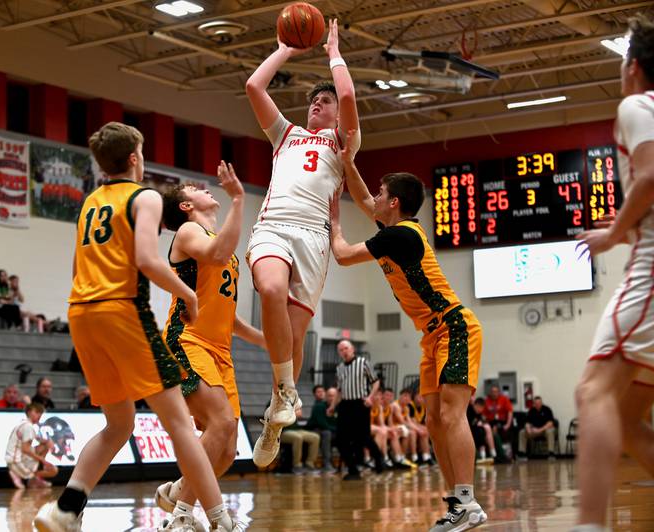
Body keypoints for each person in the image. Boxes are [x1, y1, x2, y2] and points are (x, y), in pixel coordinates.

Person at [33, 122, 242, 531]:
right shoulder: (143, 196)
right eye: (143, 152)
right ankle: (219, 521)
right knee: (180, 424)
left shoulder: (92, 200)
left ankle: (67, 507)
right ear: (134, 158)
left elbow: (78, 266)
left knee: (119, 423)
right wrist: (188, 293)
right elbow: (148, 259)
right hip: (122, 311)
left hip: (81, 311)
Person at [330, 157, 486, 529]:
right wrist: (347, 163)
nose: (375, 199)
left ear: (395, 202)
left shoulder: (400, 235)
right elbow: (366, 199)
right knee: (433, 422)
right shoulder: (392, 229)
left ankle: (468, 500)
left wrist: (333, 219)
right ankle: (456, 504)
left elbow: (343, 255)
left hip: (454, 327)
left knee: (451, 415)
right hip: (431, 336)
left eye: (382, 194)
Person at [244, 18, 361, 467]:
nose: (317, 104)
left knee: (294, 338)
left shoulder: (342, 141)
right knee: (270, 290)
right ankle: (285, 391)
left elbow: (348, 96)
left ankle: (275, 417)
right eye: (313, 100)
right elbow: (255, 86)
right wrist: (285, 50)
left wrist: (333, 53)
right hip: (274, 224)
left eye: (324, 100)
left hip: (313, 238)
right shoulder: (286, 135)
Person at [572, 15, 654, 531]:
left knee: (593, 392)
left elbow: (649, 175)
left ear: (633, 67)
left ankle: (588, 526)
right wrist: (625, 225)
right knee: (625, 418)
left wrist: (613, 232)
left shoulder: (637, 104)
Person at [154, 164, 265, 530]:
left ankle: (180, 490)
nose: (204, 189)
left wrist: (267, 341)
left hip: (220, 349)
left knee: (228, 450)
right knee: (220, 421)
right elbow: (217, 254)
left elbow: (228, 315)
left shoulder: (221, 244)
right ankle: (181, 517)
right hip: (186, 340)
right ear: (186, 206)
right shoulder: (189, 232)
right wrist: (237, 198)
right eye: (194, 188)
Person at [326, 340, 384, 480]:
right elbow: (339, 390)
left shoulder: (363, 362)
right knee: (341, 439)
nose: (344, 351)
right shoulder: (339, 368)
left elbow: (375, 381)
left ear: (352, 349)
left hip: (360, 403)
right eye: (341, 350)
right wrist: (333, 406)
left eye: (346, 348)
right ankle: (353, 470)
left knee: (363, 437)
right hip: (345, 405)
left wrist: (370, 397)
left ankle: (378, 457)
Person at [5, 402, 58, 489]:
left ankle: (33, 477)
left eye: (40, 413)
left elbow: (38, 438)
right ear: (29, 412)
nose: (39, 415)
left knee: (46, 445)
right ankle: (19, 474)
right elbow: (25, 449)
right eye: (37, 412)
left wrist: (49, 442)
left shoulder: (24, 423)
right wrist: (43, 461)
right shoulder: (28, 427)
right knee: (53, 470)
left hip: (15, 455)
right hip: (15, 458)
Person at [305, 385, 336, 472]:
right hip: (314, 429)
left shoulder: (334, 406)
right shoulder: (319, 406)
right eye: (318, 391)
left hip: (326, 429)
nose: (321, 393)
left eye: (322, 391)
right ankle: (326, 462)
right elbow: (322, 424)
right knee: (327, 433)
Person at [407, 389, 434, 466]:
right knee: (416, 432)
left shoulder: (423, 407)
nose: (420, 399)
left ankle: (426, 456)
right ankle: (415, 457)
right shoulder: (410, 406)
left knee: (425, 431)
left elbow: (423, 423)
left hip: (415, 427)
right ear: (414, 397)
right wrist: (421, 429)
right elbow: (411, 422)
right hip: (409, 426)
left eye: (422, 397)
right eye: (418, 396)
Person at [484, 385, 514, 456]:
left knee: (498, 429)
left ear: (499, 392)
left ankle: (503, 453)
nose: (494, 393)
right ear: (490, 392)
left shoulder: (504, 399)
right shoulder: (487, 400)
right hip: (491, 422)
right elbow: (483, 415)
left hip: (502, 421)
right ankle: (492, 452)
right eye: (492, 392)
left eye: (496, 392)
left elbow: (510, 412)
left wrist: (508, 424)